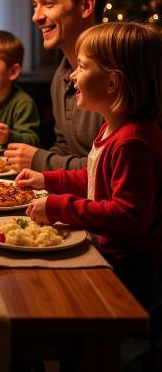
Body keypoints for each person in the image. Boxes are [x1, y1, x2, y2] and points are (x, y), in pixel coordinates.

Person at [16, 22, 162, 318]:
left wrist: (60, 206)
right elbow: (95, 177)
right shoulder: (113, 128)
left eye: (82, 67)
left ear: (111, 84)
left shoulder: (133, 142)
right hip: (112, 255)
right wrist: (47, 178)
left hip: (132, 272)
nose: (72, 75)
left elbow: (128, 216)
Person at [5, 0, 109, 172]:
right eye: (35, 5)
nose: (36, 16)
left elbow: (110, 168)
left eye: (48, 4)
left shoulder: (111, 77)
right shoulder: (62, 76)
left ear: (86, 6)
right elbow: (66, 148)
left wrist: (39, 160)